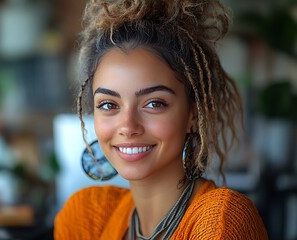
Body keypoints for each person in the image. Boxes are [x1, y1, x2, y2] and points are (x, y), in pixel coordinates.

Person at [54, 0, 268, 239]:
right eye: (108, 105)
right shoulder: (86, 218)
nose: (127, 126)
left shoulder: (221, 221)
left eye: (154, 103)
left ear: (193, 115)